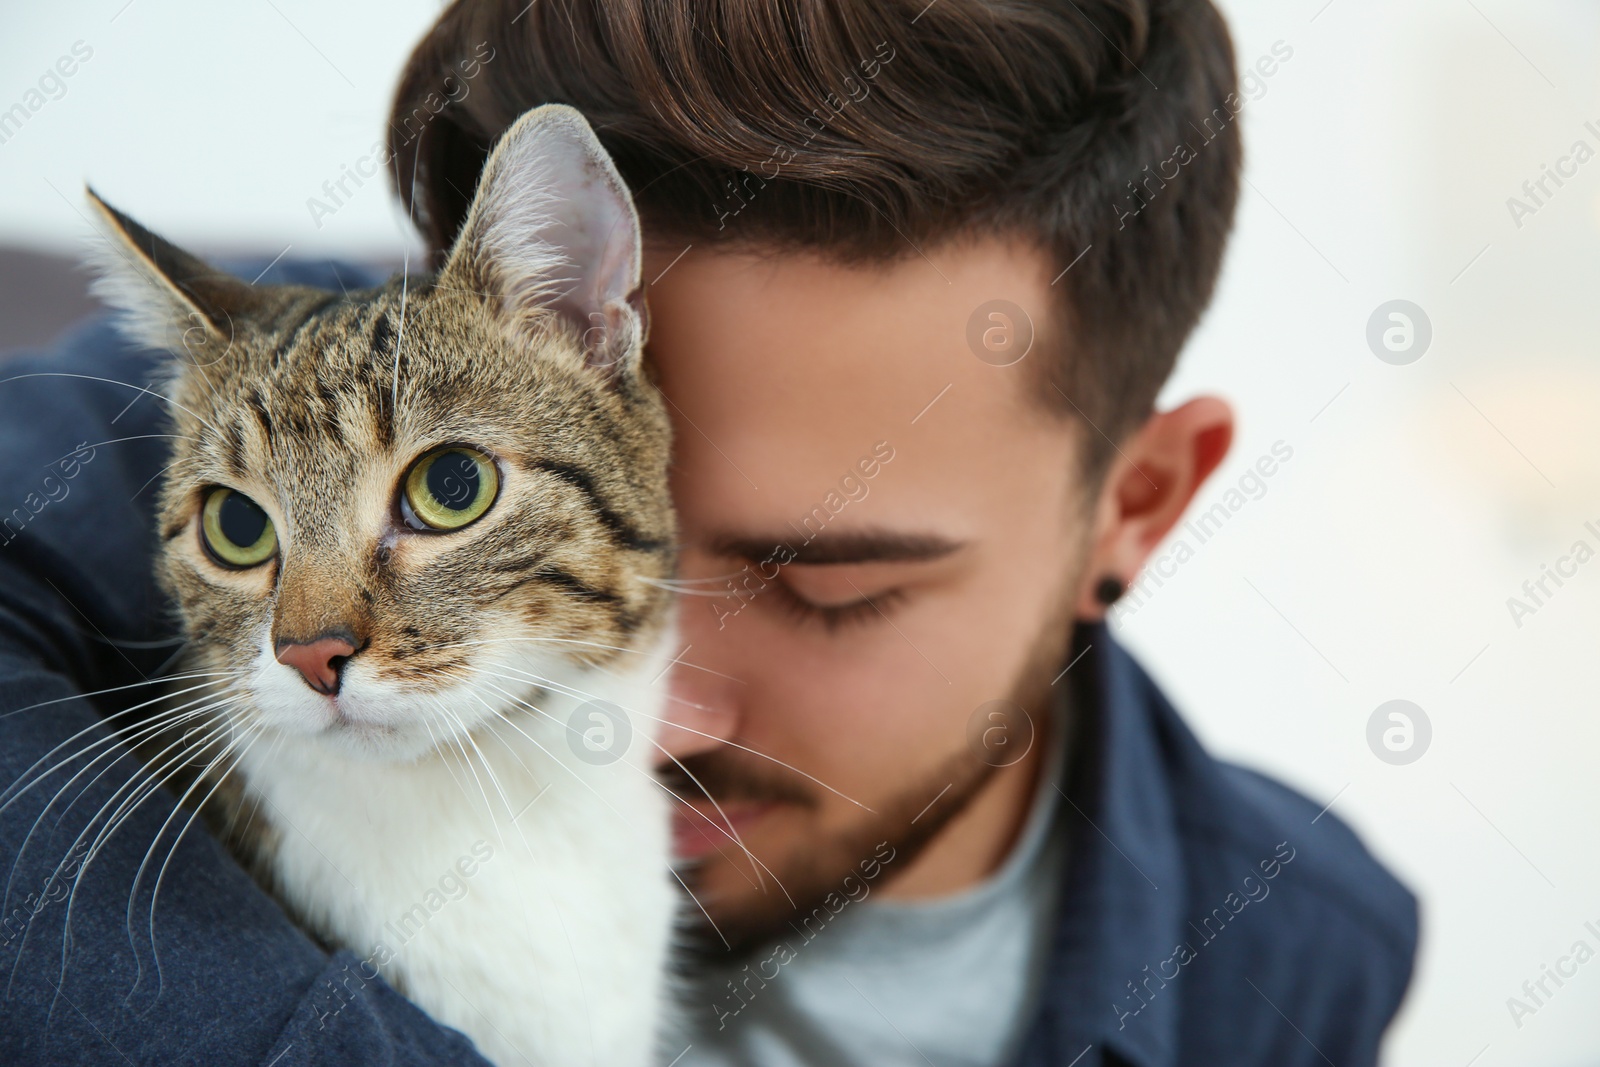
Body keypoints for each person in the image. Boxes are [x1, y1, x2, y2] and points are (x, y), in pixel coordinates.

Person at [0, 0, 1416, 1064]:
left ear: (1137, 506)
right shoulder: (296, 393)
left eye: (827, 584)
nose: (654, 709)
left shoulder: (1290, 962)